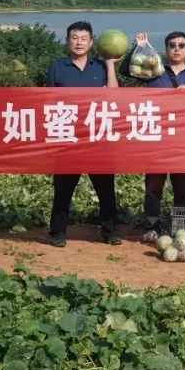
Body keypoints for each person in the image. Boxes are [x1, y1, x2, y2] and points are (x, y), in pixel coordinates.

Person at [120, 31, 185, 242]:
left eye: (181, 45)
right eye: (171, 45)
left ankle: (181, 228)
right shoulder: (154, 70)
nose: (176, 49)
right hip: (157, 139)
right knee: (153, 187)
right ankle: (153, 226)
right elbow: (125, 71)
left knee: (183, 189)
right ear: (166, 49)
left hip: (184, 140)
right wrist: (138, 48)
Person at [45, 21, 122, 247]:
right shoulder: (57, 67)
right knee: (63, 188)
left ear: (91, 42)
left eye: (83, 39)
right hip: (68, 137)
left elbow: (114, 96)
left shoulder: (100, 67)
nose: (79, 42)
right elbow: (48, 100)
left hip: (98, 138)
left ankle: (109, 231)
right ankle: (58, 232)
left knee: (106, 188)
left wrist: (110, 65)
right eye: (74, 38)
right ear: (67, 41)